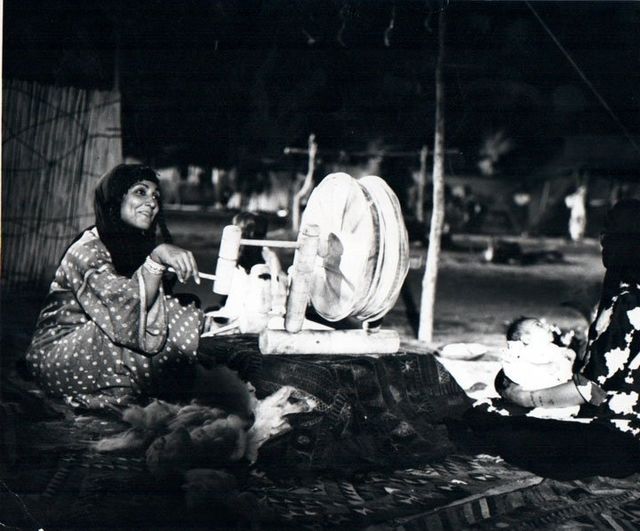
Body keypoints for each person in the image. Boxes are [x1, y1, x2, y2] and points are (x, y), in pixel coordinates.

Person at [24, 164, 223, 410]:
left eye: (156, 196)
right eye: (140, 192)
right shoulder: (86, 251)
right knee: (159, 320)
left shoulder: (131, 244)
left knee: (170, 312)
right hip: (56, 357)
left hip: (96, 345)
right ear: (115, 199)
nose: (152, 202)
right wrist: (156, 260)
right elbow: (124, 310)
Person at [466, 199, 640, 479]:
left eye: (611, 233)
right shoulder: (625, 291)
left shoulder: (630, 303)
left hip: (625, 436)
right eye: (604, 233)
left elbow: (591, 390)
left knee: (492, 424)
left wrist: (524, 397)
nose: (603, 241)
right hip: (616, 422)